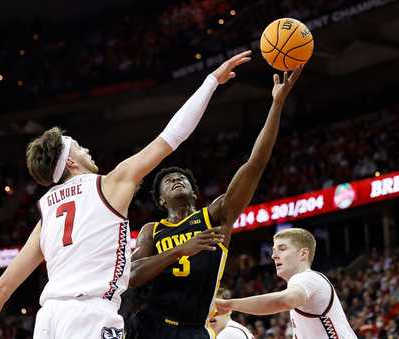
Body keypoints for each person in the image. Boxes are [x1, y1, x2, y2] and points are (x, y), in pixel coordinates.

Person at [0, 50, 252, 339]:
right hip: (90, 315)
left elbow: (1, 289)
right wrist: (211, 82)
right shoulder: (108, 185)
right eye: (79, 147)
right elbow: (173, 135)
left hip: (48, 320)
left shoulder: (47, 215)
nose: (87, 150)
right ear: (70, 161)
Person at [126, 67, 304, 339]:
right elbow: (133, 275)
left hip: (193, 330)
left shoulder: (216, 216)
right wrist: (178, 251)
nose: (176, 180)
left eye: (182, 178)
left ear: (194, 193)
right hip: (151, 324)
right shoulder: (153, 230)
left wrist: (277, 104)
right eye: (169, 179)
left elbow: (255, 164)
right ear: (162, 199)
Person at [216, 228, 358, 339]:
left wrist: (229, 305)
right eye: (274, 250)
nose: (274, 255)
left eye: (282, 249)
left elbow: (286, 300)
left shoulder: (306, 278)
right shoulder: (304, 283)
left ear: (303, 254)